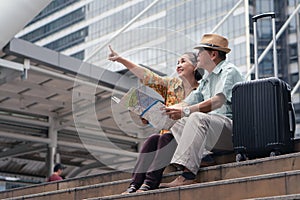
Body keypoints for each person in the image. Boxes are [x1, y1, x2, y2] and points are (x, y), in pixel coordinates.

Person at [108, 46, 203, 193]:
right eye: (177, 62)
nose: (178, 65)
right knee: (153, 138)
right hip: (166, 138)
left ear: (195, 66)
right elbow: (148, 77)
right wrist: (121, 60)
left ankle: (150, 183)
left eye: (183, 61)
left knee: (166, 137)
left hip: (188, 140)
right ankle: (134, 184)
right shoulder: (171, 85)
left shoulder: (203, 90)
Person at [160, 33, 245, 188]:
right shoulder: (207, 79)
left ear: (213, 54)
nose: (197, 55)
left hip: (233, 131)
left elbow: (218, 101)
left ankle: (187, 175)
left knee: (196, 117)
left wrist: (185, 111)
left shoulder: (229, 71)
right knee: (176, 119)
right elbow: (187, 102)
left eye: (200, 52)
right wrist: (165, 111)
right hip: (215, 131)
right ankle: (204, 157)